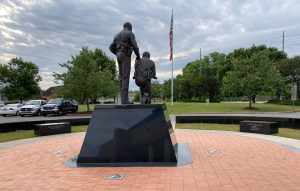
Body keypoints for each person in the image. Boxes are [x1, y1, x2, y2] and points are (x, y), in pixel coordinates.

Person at [109, 22, 140, 104]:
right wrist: (138, 56)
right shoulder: (130, 33)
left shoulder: (116, 35)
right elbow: (135, 46)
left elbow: (111, 47)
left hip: (119, 56)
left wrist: (117, 53)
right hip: (125, 56)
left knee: (121, 77)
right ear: (130, 28)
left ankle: (122, 97)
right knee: (125, 76)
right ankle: (124, 99)